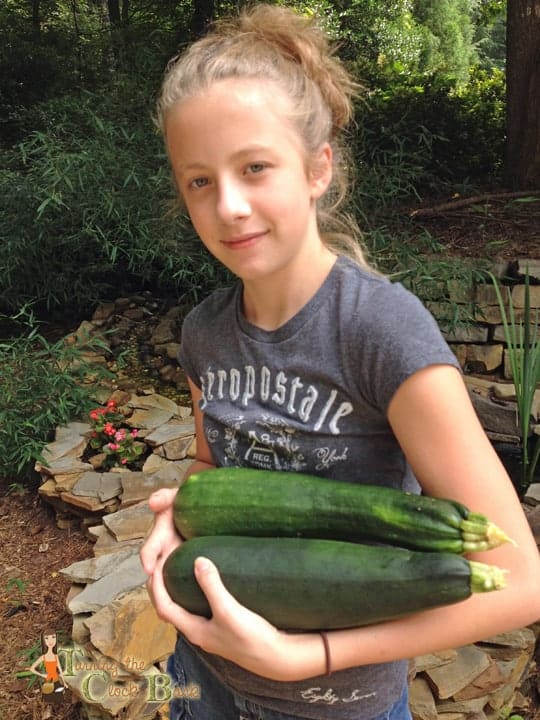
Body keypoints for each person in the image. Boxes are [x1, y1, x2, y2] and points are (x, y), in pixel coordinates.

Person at [140, 5, 540, 719]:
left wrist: (310, 656)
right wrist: (178, 517)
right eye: (199, 180)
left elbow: (518, 582)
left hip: (336, 703)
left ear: (318, 168)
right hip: (202, 684)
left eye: (255, 167)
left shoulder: (381, 331)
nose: (229, 204)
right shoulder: (204, 331)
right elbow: (210, 464)